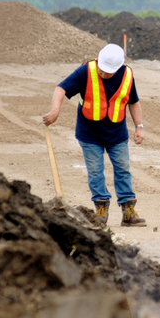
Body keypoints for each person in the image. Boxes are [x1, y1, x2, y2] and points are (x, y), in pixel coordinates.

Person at [42, 43, 147, 228]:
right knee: (96, 172)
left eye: (109, 72)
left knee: (123, 170)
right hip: (89, 134)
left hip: (117, 133)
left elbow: (133, 102)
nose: (104, 74)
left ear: (118, 68)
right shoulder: (86, 71)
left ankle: (128, 212)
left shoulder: (127, 75)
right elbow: (61, 89)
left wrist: (139, 126)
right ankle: (101, 211)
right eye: (102, 69)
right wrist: (55, 110)